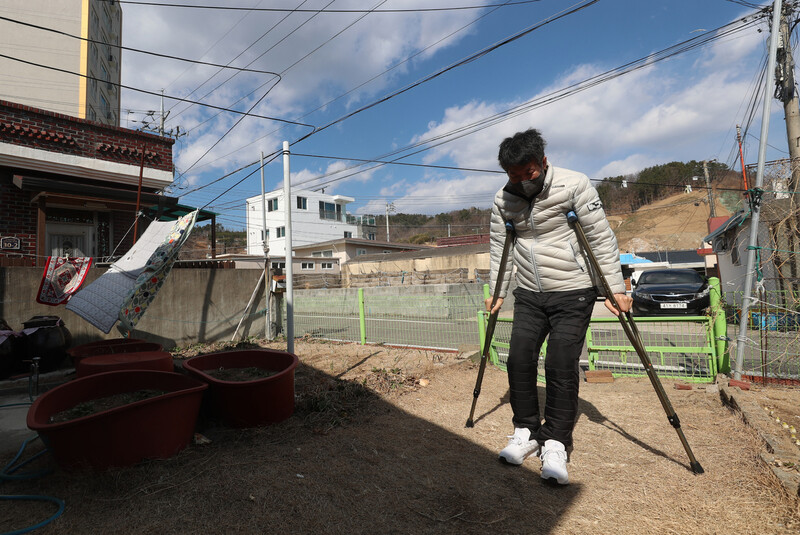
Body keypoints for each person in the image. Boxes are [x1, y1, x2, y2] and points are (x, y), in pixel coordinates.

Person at [486, 128, 632, 485]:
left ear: (543, 162)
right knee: (519, 357)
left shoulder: (574, 185)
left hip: (573, 290)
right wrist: (497, 290)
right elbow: (498, 249)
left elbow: (599, 237)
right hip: (530, 293)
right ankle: (525, 432)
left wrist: (614, 289)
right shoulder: (502, 200)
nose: (521, 181)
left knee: (560, 362)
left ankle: (555, 441)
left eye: (528, 173)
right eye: (513, 175)